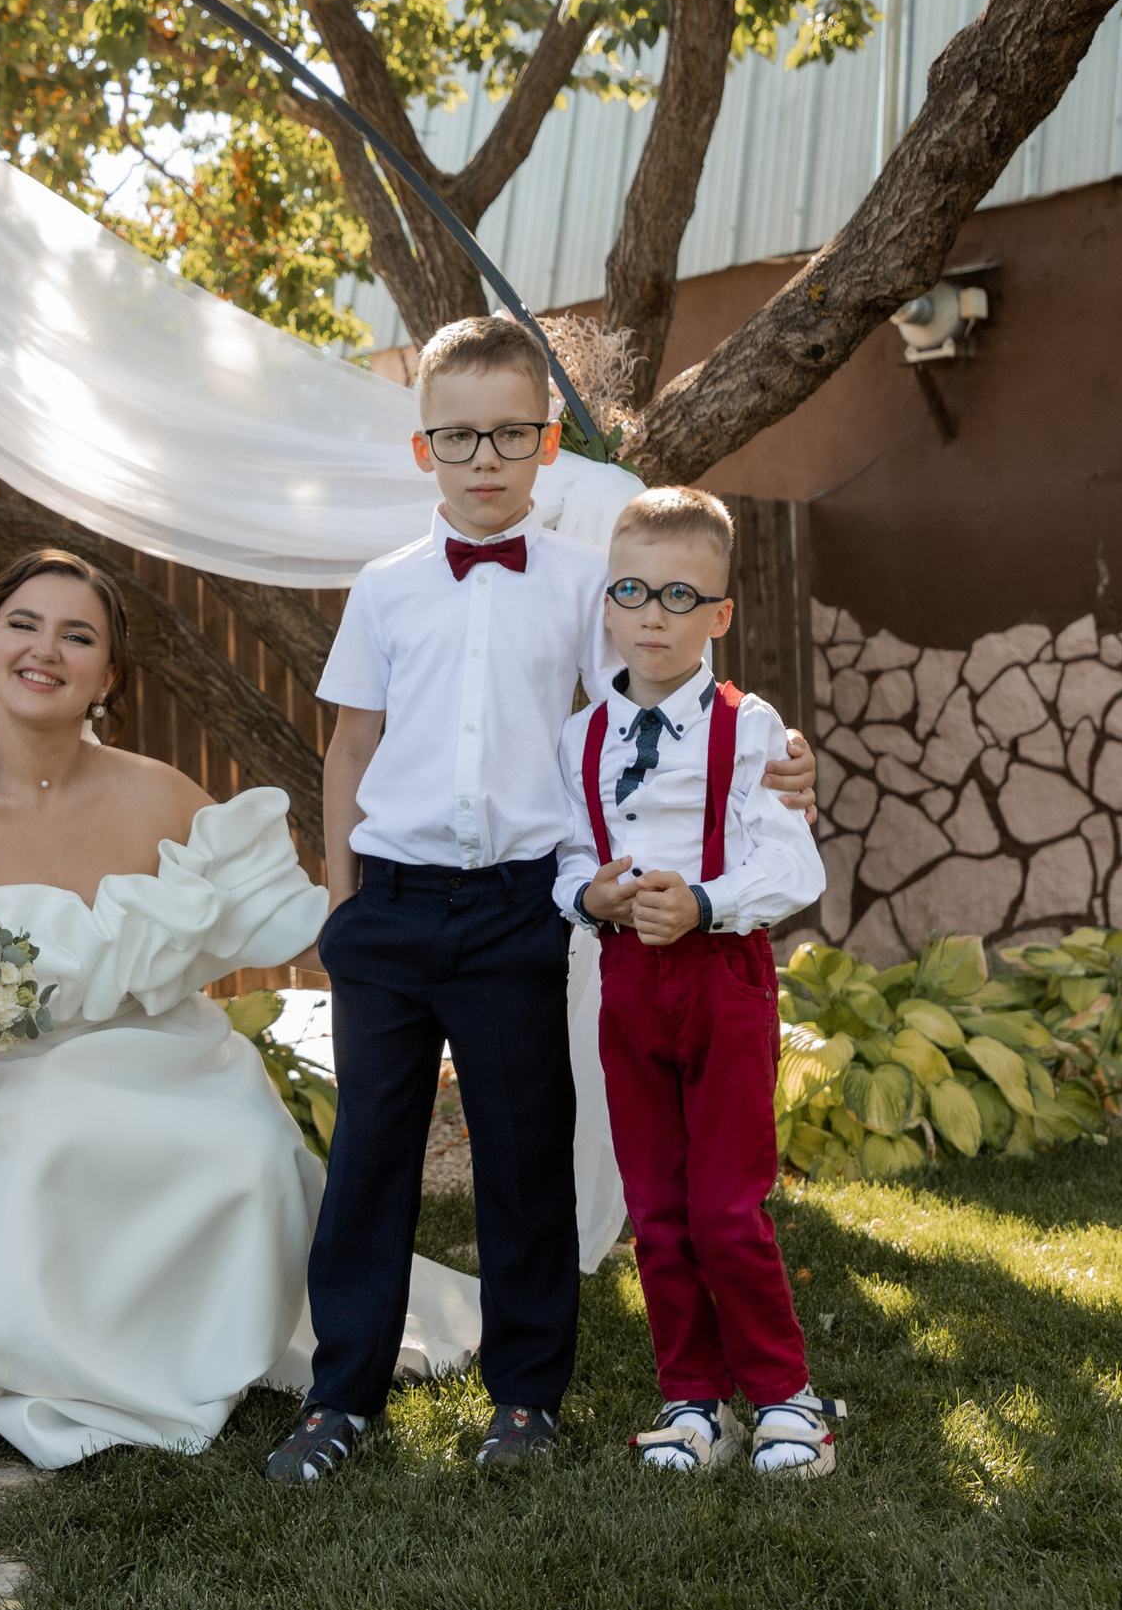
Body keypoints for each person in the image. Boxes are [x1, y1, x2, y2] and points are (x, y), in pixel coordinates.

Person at [0, 549, 482, 1468]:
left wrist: (426, 946)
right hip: (16, 1076)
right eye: (23, 626)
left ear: (107, 675)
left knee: (254, 1150)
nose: (46, 650)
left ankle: (203, 1342)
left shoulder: (159, 792)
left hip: (173, 1055)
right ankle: (61, 1354)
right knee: (46, 1125)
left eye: (78, 636)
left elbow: (286, 915)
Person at [274, 317, 817, 1483]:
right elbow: (349, 746)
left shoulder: (586, 585)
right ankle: (339, 1396)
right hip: (389, 905)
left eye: (510, 434)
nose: (485, 459)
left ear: (548, 443)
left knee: (525, 1157)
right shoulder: (384, 587)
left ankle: (525, 1396)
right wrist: (340, 902)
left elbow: (653, 716)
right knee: (369, 1155)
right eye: (458, 437)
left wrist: (773, 760)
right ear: (422, 448)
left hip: (521, 907)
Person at [557, 485, 839, 1477]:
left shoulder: (751, 728)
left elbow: (794, 866)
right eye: (632, 591)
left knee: (725, 1207)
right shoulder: (581, 737)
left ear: (719, 615)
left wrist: (707, 903)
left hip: (722, 976)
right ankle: (692, 1400)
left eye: (681, 596)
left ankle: (785, 1397)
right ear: (607, 604)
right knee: (657, 1206)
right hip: (625, 981)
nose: (653, 615)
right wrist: (588, 895)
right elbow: (567, 852)